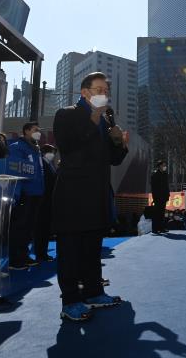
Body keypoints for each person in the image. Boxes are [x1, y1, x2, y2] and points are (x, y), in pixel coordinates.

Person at [52, 72, 129, 321]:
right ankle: (71, 301)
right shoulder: (67, 114)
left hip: (96, 194)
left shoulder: (105, 123)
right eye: (98, 89)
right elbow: (68, 146)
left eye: (106, 90)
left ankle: (94, 292)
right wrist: (93, 117)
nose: (103, 94)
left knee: (92, 248)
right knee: (70, 250)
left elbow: (113, 160)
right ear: (84, 92)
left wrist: (120, 143)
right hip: (72, 194)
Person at [8, 122, 45, 269]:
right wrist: (17, 193)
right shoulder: (17, 147)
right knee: (20, 227)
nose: (39, 133)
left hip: (36, 193)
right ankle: (15, 259)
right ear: (26, 131)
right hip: (25, 194)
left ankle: (24, 255)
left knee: (28, 228)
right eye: (36, 130)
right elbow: (15, 171)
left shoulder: (36, 150)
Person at [35, 144, 57, 262]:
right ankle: (40, 254)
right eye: (52, 152)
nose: (53, 155)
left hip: (48, 201)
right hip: (43, 201)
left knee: (45, 229)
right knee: (41, 229)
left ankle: (43, 252)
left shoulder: (49, 164)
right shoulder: (42, 164)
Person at [150, 160, 169, 234]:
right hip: (157, 197)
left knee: (162, 213)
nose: (165, 166)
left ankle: (162, 228)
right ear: (159, 166)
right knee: (156, 213)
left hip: (164, 196)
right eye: (163, 165)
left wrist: (167, 195)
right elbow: (153, 188)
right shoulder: (155, 175)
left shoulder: (165, 174)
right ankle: (155, 229)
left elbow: (166, 186)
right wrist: (154, 198)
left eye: (165, 165)